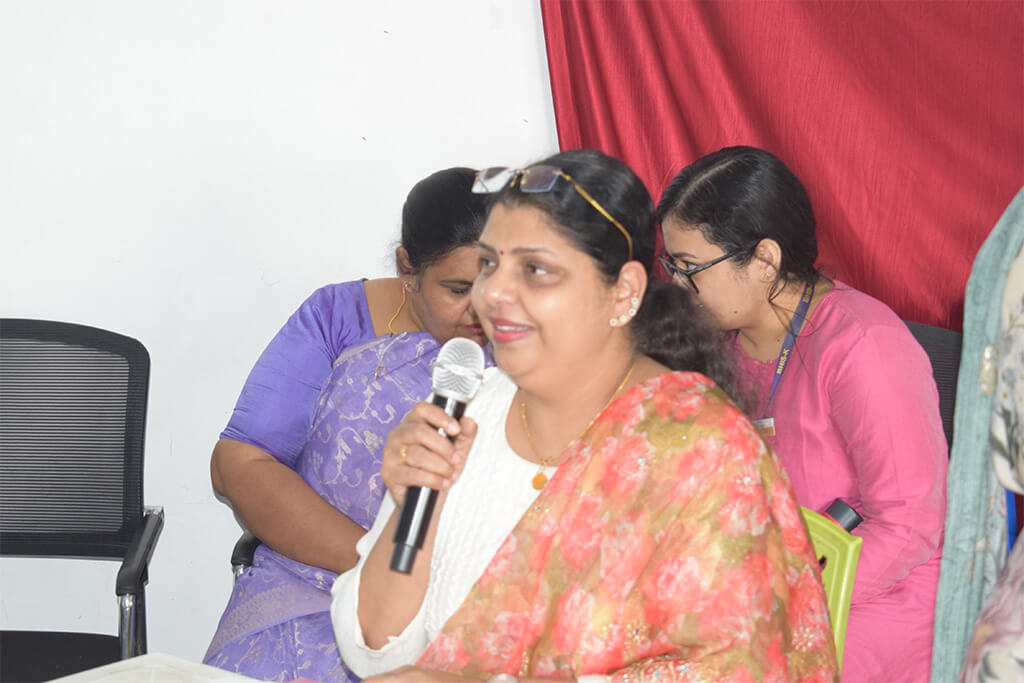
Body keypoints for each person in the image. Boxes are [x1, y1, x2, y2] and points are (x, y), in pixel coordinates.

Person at [330, 149, 837, 682]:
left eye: (535, 269)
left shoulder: (700, 451)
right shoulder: (468, 408)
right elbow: (373, 648)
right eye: (488, 264)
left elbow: (736, 669)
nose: (492, 293)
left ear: (623, 293)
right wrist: (414, 504)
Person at [656, 145, 948, 682]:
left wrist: (788, 601)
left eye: (691, 268)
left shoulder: (864, 346)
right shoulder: (727, 341)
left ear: (764, 261)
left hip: (875, 592)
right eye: (672, 265)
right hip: (775, 575)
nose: (678, 285)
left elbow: (910, 525)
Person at [204, 167, 491, 683]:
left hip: (468, 612)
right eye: (457, 288)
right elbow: (240, 462)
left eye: (497, 282)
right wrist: (379, 566)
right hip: (311, 587)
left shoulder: (533, 342)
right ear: (407, 267)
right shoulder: (338, 317)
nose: (482, 309)